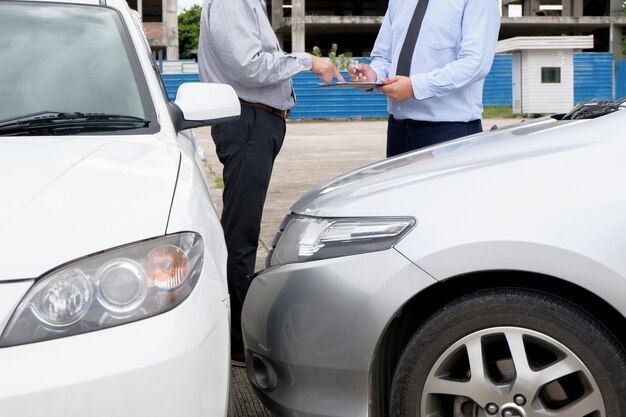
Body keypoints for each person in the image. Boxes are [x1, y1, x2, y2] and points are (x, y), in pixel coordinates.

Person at [198, 0, 344, 365]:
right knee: (240, 237)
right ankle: (235, 341)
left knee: (241, 231)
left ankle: (236, 333)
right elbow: (249, 67)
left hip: (256, 122)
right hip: (248, 122)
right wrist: (309, 61)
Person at [349, 0, 501, 157]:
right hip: (398, 130)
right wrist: (373, 76)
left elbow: (475, 63)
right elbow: (384, 56)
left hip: (450, 133)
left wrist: (415, 87)